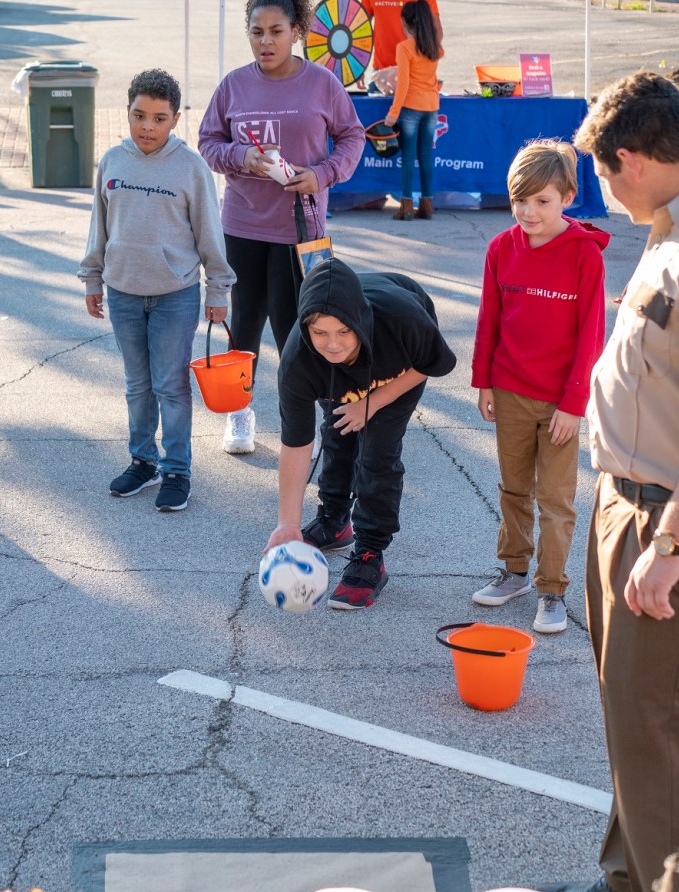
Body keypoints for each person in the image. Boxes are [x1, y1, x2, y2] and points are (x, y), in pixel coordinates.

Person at [537, 71, 679, 892]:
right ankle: (630, 877)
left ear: (632, 159)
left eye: (605, 174)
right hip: (622, 506)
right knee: (626, 716)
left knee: (653, 726)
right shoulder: (663, 235)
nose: (603, 191)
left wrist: (668, 544)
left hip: (660, 519)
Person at [198, 0, 365, 456]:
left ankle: (305, 424)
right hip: (243, 226)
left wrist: (323, 173)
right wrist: (240, 157)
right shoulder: (233, 85)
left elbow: (353, 136)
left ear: (297, 31)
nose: (265, 41)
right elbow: (208, 142)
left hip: (301, 231)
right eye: (256, 32)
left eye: (276, 31)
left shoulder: (321, 83)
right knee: (245, 325)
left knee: (301, 330)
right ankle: (240, 413)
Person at [78, 69, 234, 512]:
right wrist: (93, 277)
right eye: (139, 115)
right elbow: (99, 228)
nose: (147, 126)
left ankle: (177, 470)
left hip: (174, 294)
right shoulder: (112, 161)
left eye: (159, 118)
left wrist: (218, 289)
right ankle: (142, 462)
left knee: (170, 385)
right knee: (136, 384)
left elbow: (209, 233)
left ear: (176, 119)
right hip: (123, 292)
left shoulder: (191, 167)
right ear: (127, 112)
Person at [470, 140, 609, 634]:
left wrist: (574, 404)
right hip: (507, 391)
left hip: (560, 403)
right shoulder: (500, 249)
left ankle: (552, 589)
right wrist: (483, 379)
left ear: (568, 197)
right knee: (513, 487)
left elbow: (591, 336)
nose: (528, 211)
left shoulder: (584, 258)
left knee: (555, 499)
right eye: (519, 200)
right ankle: (514, 572)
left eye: (542, 201)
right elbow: (489, 319)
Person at [265, 257, 456, 609]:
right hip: (347, 376)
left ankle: (370, 553)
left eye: (343, 331)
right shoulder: (298, 362)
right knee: (336, 432)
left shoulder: (404, 321)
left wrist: (373, 402)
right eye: (319, 332)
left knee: (377, 454)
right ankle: (335, 520)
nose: (332, 344)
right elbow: (296, 444)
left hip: (396, 369)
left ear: (358, 322)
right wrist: (287, 524)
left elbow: (433, 364)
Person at [382, 1, 443, 221]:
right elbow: (432, 79)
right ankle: (427, 205)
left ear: (406, 22)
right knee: (426, 156)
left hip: (410, 108)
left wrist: (393, 113)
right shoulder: (434, 47)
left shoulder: (404, 48)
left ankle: (406, 206)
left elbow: (404, 84)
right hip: (432, 107)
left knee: (408, 158)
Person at [366, 0, 442, 94]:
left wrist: (424, 67)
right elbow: (359, 24)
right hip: (381, 75)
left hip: (415, 75)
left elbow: (436, 32)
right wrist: (357, 68)